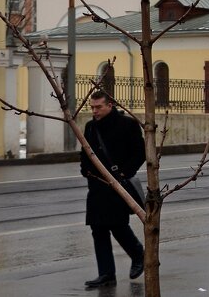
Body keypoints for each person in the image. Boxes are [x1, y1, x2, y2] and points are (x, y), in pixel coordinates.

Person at [80, 90, 145, 289]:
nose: (95, 111)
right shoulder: (90, 127)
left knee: (117, 225)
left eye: (98, 107)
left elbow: (140, 153)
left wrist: (123, 173)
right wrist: (85, 171)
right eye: (92, 107)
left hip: (118, 185)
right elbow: (85, 152)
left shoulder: (127, 125)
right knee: (97, 229)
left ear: (110, 105)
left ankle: (138, 255)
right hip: (97, 186)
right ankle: (106, 274)